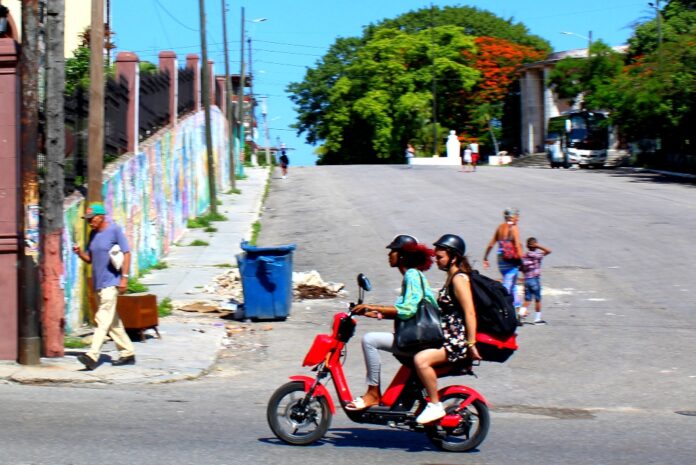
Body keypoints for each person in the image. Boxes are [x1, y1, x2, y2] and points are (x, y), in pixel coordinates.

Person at [348, 235, 437, 411]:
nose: (389, 255)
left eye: (393, 251)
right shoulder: (412, 276)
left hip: (419, 340)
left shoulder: (412, 275)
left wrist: (372, 306)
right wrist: (373, 312)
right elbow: (404, 312)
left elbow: (408, 309)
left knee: (369, 340)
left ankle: (373, 393)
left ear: (402, 255)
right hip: (416, 337)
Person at [412, 234, 482, 424]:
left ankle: (435, 405)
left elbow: (470, 312)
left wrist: (471, 343)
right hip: (445, 336)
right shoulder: (451, 277)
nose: (436, 260)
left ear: (454, 257)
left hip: (455, 341)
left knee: (421, 361)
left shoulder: (459, 278)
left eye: (440, 257)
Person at [72, 202, 136, 370]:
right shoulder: (93, 235)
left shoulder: (114, 230)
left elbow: (127, 252)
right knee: (112, 322)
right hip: (99, 284)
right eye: (87, 220)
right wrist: (80, 253)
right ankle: (128, 353)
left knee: (102, 319)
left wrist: (124, 278)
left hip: (111, 282)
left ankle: (92, 356)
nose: (89, 222)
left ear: (101, 217)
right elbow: (90, 259)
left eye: (91, 219)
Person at [483, 208, 524, 315]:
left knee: (512, 284)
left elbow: (491, 244)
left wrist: (485, 257)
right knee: (507, 285)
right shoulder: (514, 228)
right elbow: (517, 245)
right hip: (511, 259)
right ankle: (502, 309)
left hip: (501, 259)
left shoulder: (500, 228)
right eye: (517, 216)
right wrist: (522, 260)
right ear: (512, 217)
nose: (518, 219)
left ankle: (517, 309)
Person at [519, 237, 552, 325]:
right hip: (534, 279)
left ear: (527, 246)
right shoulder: (536, 256)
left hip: (527, 279)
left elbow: (520, 268)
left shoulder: (524, 256)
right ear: (535, 246)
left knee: (527, 300)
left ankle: (520, 317)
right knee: (537, 299)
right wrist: (538, 246)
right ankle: (537, 319)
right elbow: (548, 251)